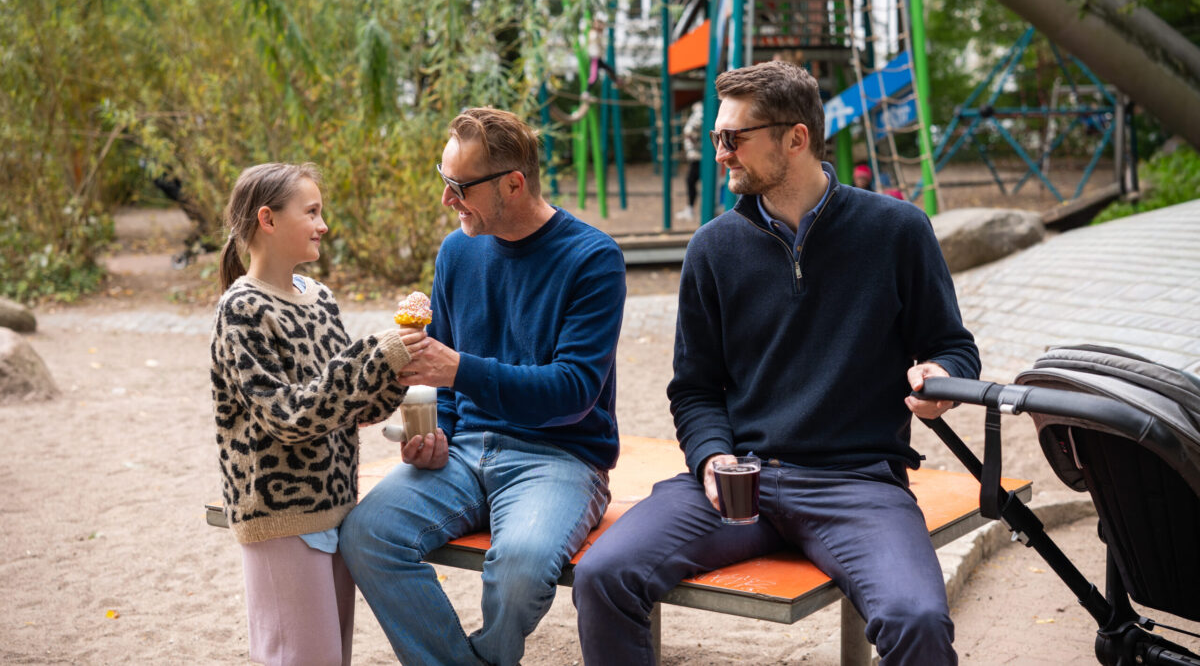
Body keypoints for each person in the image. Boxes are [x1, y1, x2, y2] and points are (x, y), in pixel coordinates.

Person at [573, 61, 979, 665]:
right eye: (717, 137)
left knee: (915, 619)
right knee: (603, 576)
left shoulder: (897, 230)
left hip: (858, 484)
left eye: (733, 138)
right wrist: (711, 458)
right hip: (740, 479)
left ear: (796, 137)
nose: (720, 154)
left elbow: (952, 345)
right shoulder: (712, 249)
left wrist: (941, 381)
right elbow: (694, 389)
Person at [339, 107, 627, 666]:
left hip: (562, 457)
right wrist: (436, 432)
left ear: (513, 184)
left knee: (518, 569)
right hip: (464, 453)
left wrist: (461, 371)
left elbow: (573, 391)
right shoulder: (458, 251)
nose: (448, 200)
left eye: (459, 187)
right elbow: (439, 378)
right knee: (367, 535)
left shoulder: (593, 259)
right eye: (443, 180)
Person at [210, 162, 425, 666]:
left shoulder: (320, 298)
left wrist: (398, 370)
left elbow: (350, 408)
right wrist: (376, 354)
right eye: (311, 212)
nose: (323, 225)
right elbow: (285, 415)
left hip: (336, 507)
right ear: (267, 219)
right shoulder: (241, 308)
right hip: (279, 515)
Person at [676, 101, 704, 222]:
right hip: (696, 155)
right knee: (691, 181)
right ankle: (690, 208)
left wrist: (694, 142)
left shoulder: (700, 112)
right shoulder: (699, 112)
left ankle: (690, 209)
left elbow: (690, 130)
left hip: (698, 156)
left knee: (691, 181)